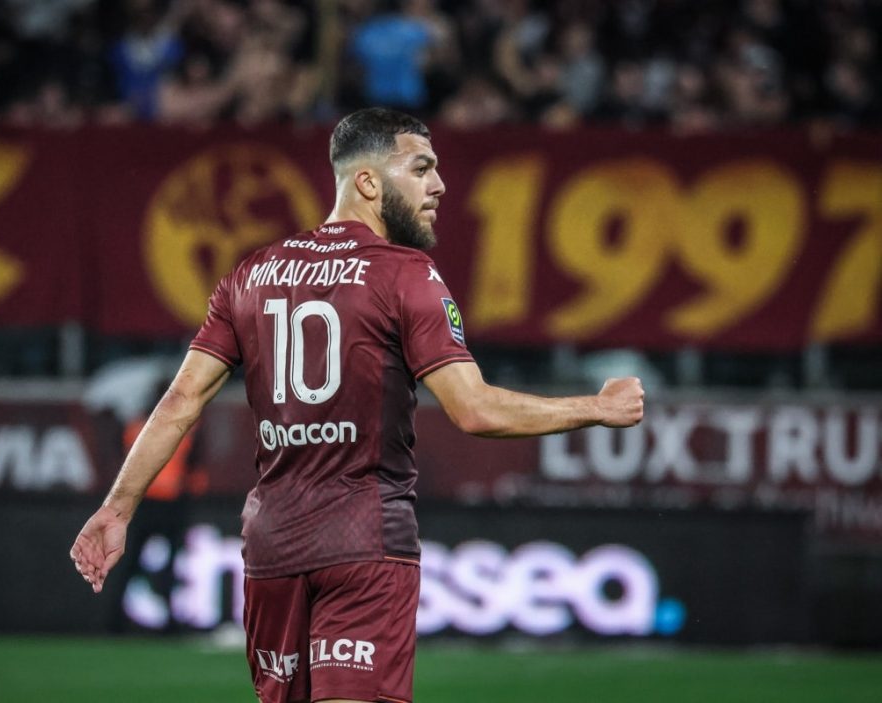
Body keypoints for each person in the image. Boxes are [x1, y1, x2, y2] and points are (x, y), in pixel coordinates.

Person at [70, 107, 645, 703]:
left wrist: (116, 510)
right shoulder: (406, 275)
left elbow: (181, 400)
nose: (439, 186)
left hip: (271, 549)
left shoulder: (251, 274)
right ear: (367, 182)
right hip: (365, 543)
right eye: (420, 168)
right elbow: (476, 410)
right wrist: (597, 408)